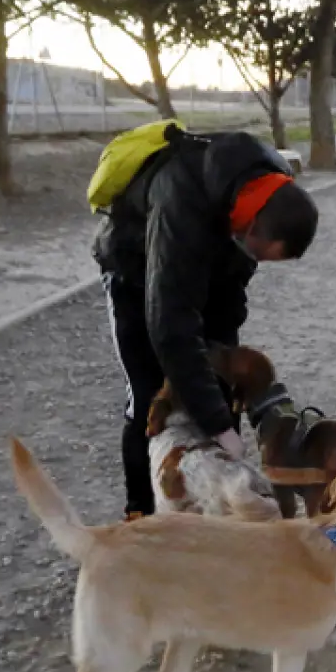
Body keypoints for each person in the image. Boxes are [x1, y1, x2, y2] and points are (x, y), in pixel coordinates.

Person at [92, 126, 319, 518]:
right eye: (258, 253)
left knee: (216, 380)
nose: (256, 263)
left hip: (197, 271)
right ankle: (141, 516)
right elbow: (170, 324)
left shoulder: (265, 192)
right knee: (148, 395)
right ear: (247, 226)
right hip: (136, 274)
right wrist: (221, 426)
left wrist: (221, 376)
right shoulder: (181, 197)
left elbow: (232, 292)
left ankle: (217, 502)